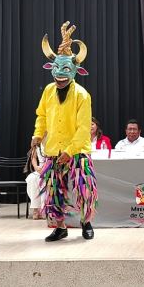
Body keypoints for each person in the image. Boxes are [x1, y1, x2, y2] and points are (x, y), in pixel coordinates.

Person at [32, 21, 98, 242]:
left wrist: (70, 151)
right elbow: (41, 115)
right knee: (53, 191)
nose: (60, 75)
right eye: (56, 69)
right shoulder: (49, 91)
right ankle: (60, 227)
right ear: (51, 69)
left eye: (66, 70)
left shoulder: (82, 95)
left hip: (77, 151)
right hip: (52, 150)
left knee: (83, 189)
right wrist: (38, 135)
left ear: (76, 71)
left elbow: (83, 128)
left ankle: (86, 223)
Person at [25, 135, 47, 220]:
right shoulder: (36, 139)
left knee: (44, 180)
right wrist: (36, 167)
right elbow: (33, 158)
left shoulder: (53, 136)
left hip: (50, 167)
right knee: (32, 178)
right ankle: (35, 209)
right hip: (40, 168)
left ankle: (43, 209)